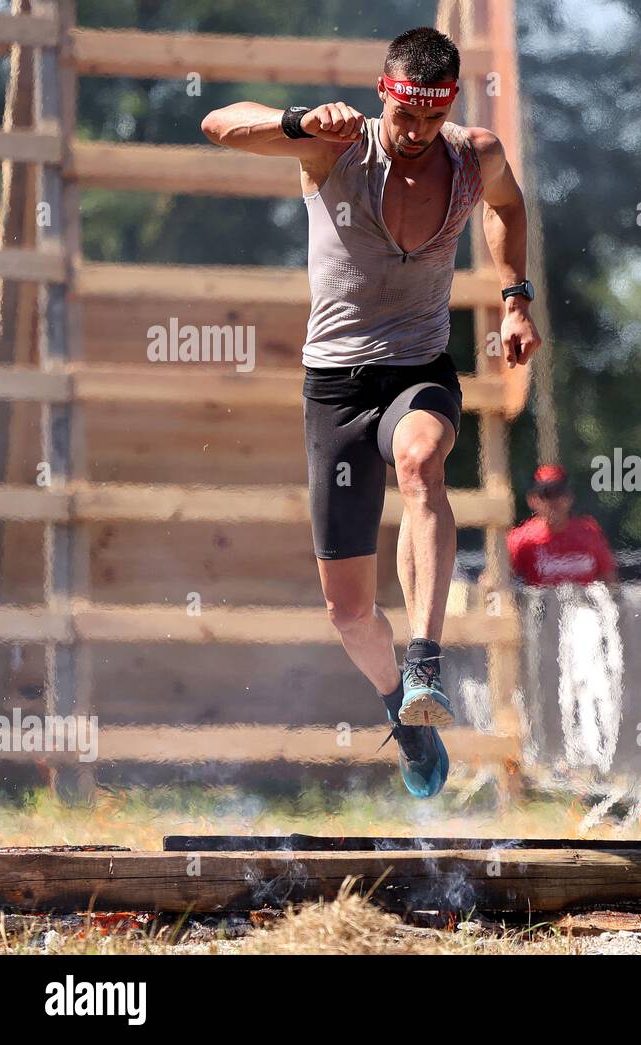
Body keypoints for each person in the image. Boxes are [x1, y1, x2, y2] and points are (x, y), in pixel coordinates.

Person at [201, 26, 543, 798]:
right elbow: (217, 125)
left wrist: (515, 299)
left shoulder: (472, 155)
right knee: (347, 609)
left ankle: (427, 655)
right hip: (336, 388)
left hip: (419, 369)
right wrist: (296, 124)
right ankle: (403, 704)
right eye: (404, 118)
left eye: (430, 119)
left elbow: (507, 210)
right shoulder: (337, 149)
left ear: (446, 105)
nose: (416, 135)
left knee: (424, 461)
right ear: (383, 94)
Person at [508, 465, 618, 586]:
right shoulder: (522, 540)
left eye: (559, 493)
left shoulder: (588, 532)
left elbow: (609, 579)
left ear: (569, 497)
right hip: (543, 603)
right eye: (547, 494)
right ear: (532, 500)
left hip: (584, 603)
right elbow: (496, 579)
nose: (554, 501)